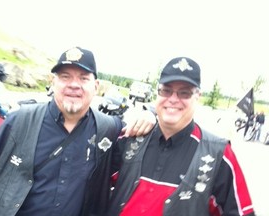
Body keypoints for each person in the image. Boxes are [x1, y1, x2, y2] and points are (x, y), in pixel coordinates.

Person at [0, 46, 156, 216]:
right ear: (53, 82)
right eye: (65, 77)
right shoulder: (19, 121)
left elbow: (143, 143)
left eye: (83, 78)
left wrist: (151, 114)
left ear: (96, 86)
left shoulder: (109, 129)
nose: (74, 85)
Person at [108, 57, 255, 216]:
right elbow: (92, 189)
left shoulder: (219, 155)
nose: (173, 99)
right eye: (166, 90)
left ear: (197, 96)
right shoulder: (130, 139)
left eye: (184, 93)